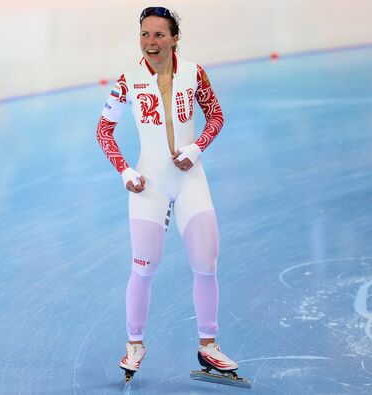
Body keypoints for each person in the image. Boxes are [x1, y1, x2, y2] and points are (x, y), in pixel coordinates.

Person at [96, 6, 239, 381]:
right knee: (143, 267)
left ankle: (209, 347)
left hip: (191, 179)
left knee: (206, 263)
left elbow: (217, 116)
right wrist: (126, 171)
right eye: (145, 34)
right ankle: (134, 343)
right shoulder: (127, 80)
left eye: (159, 34)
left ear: (175, 38)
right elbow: (103, 131)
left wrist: (196, 148)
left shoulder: (195, 72)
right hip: (149, 182)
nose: (151, 42)